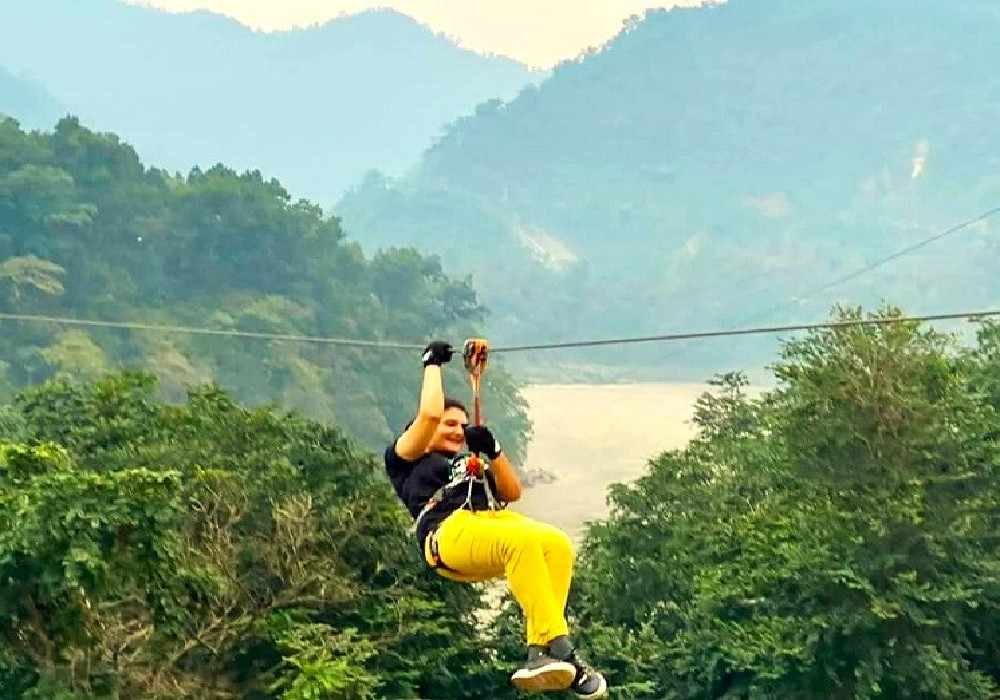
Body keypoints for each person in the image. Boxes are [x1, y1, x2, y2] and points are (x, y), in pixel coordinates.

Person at [384, 341, 608, 698]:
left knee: (556, 545)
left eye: (462, 425)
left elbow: (512, 492)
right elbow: (428, 416)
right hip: (446, 533)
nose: (458, 430)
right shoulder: (407, 458)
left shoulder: (468, 463)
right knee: (520, 542)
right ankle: (565, 650)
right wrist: (433, 365)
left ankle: (540, 651)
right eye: (449, 423)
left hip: (486, 526)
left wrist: (493, 449)